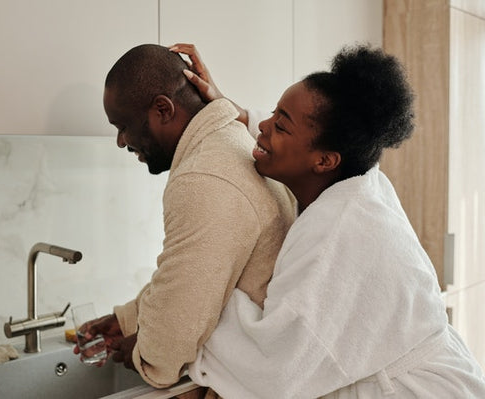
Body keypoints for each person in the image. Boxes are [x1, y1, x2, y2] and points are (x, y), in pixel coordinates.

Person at [169, 43, 485, 398]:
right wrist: (229, 110)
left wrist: (196, 298)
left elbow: (276, 368)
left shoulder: (339, 232)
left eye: (281, 126)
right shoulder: (359, 176)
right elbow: (300, 133)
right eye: (273, 112)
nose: (264, 126)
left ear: (325, 161)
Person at [73, 44, 297, 390]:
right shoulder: (229, 142)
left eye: (123, 126)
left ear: (163, 109)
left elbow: (173, 335)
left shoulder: (204, 177)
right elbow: (188, 275)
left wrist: (140, 353)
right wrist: (127, 320)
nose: (121, 141)